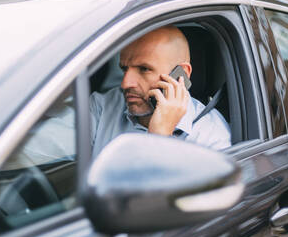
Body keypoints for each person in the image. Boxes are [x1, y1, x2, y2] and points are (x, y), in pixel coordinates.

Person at [90, 25, 231, 157]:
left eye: (144, 69)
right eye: (124, 69)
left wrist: (159, 136)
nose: (125, 83)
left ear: (181, 75)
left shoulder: (210, 137)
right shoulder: (102, 106)